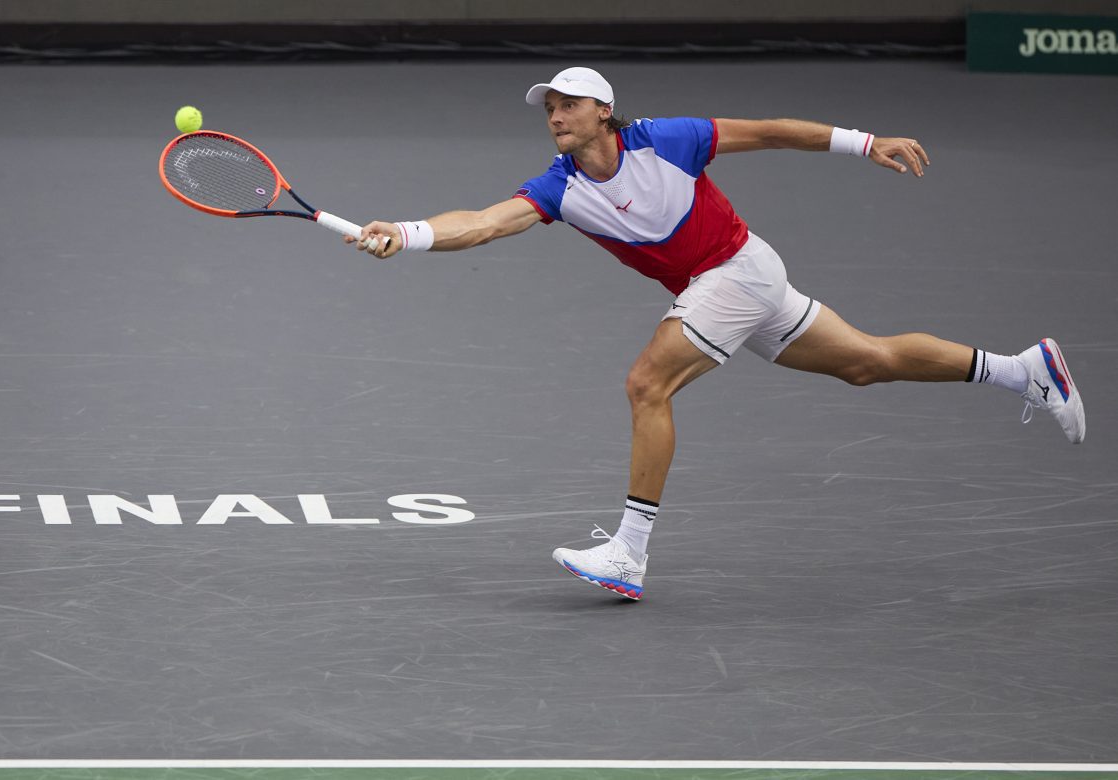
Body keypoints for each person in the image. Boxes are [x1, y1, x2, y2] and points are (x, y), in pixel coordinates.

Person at [347, 66, 1086, 601]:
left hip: (737, 271)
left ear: (605, 111)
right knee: (867, 362)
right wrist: (406, 234)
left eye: (568, 105)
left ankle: (628, 554)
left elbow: (769, 133)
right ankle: (1023, 370)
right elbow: (480, 225)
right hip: (736, 285)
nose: (554, 117)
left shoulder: (666, 139)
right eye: (549, 109)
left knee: (647, 384)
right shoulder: (560, 187)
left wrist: (867, 142)